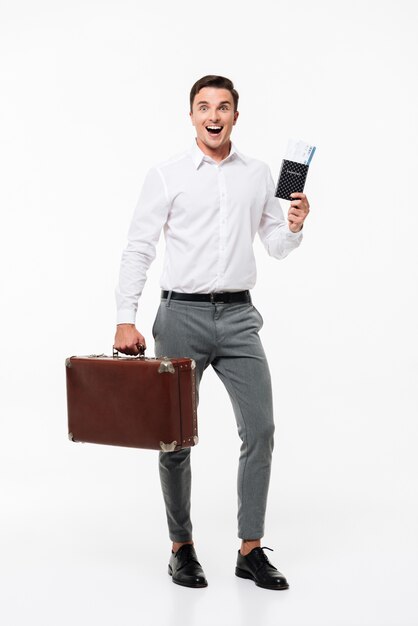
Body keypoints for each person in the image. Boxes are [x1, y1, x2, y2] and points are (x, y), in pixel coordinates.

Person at [113, 75, 310, 590]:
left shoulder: (259, 174)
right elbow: (139, 247)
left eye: (223, 106)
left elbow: (275, 244)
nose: (214, 115)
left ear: (236, 116)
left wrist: (292, 224)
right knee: (174, 439)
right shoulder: (167, 174)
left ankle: (250, 550)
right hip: (180, 317)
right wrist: (125, 316)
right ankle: (182, 547)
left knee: (261, 430)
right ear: (192, 115)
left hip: (240, 317)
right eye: (204, 107)